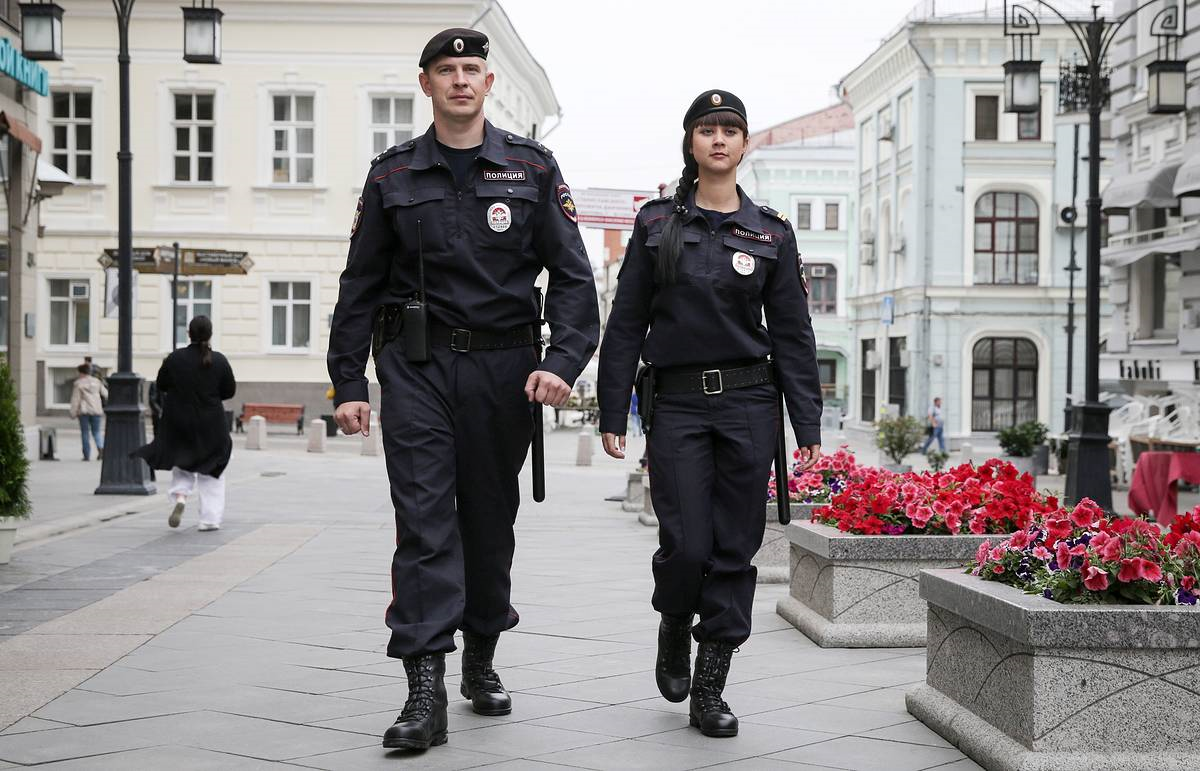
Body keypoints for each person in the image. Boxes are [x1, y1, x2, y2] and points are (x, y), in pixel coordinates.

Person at [326, 28, 599, 752]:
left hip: (504, 372)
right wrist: (348, 378)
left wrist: (564, 363)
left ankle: (481, 652)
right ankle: (423, 688)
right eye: (445, 70)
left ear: (488, 82)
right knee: (423, 520)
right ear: (426, 85)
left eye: (471, 68)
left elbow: (573, 277)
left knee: (487, 520)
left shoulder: (531, 169)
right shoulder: (391, 176)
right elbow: (359, 284)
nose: (459, 80)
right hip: (414, 369)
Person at [597, 90, 823, 738]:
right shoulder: (655, 225)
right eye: (707, 129)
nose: (719, 139)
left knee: (734, 548)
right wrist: (615, 408)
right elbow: (627, 321)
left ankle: (710, 684)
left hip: (750, 402)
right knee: (687, 544)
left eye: (730, 129)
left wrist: (806, 422)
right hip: (678, 403)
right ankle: (674, 619)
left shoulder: (771, 232)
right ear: (691, 142)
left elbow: (793, 332)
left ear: (745, 145)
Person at [133, 316, 236, 532]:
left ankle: (180, 497)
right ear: (210, 334)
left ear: (188, 334)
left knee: (183, 463)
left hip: (179, 421)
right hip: (212, 424)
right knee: (212, 471)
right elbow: (229, 391)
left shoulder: (175, 359)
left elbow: (161, 384)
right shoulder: (219, 360)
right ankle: (209, 519)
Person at [68, 364, 107, 461]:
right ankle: (101, 448)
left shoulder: (78, 383)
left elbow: (75, 399)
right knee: (97, 432)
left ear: (81, 372)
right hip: (96, 410)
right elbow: (106, 394)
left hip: (84, 411)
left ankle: (86, 455)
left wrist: (73, 413)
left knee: (85, 433)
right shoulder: (97, 382)